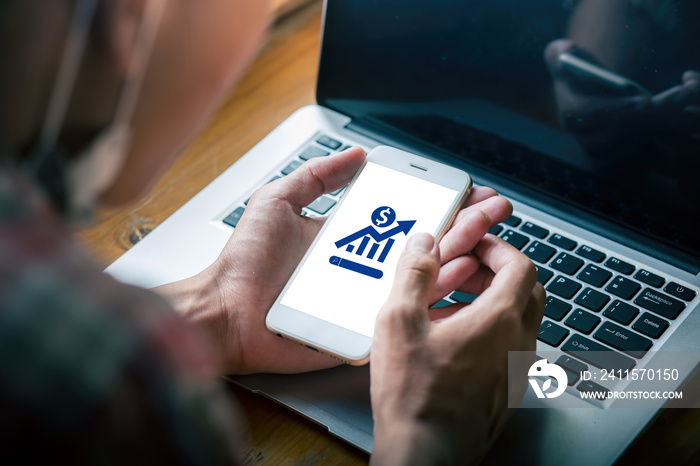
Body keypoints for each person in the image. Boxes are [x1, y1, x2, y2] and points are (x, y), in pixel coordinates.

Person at [0, 0, 545, 464]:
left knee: (619, 384)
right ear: (132, 16)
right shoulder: (117, 389)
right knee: (584, 389)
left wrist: (222, 314)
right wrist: (427, 436)